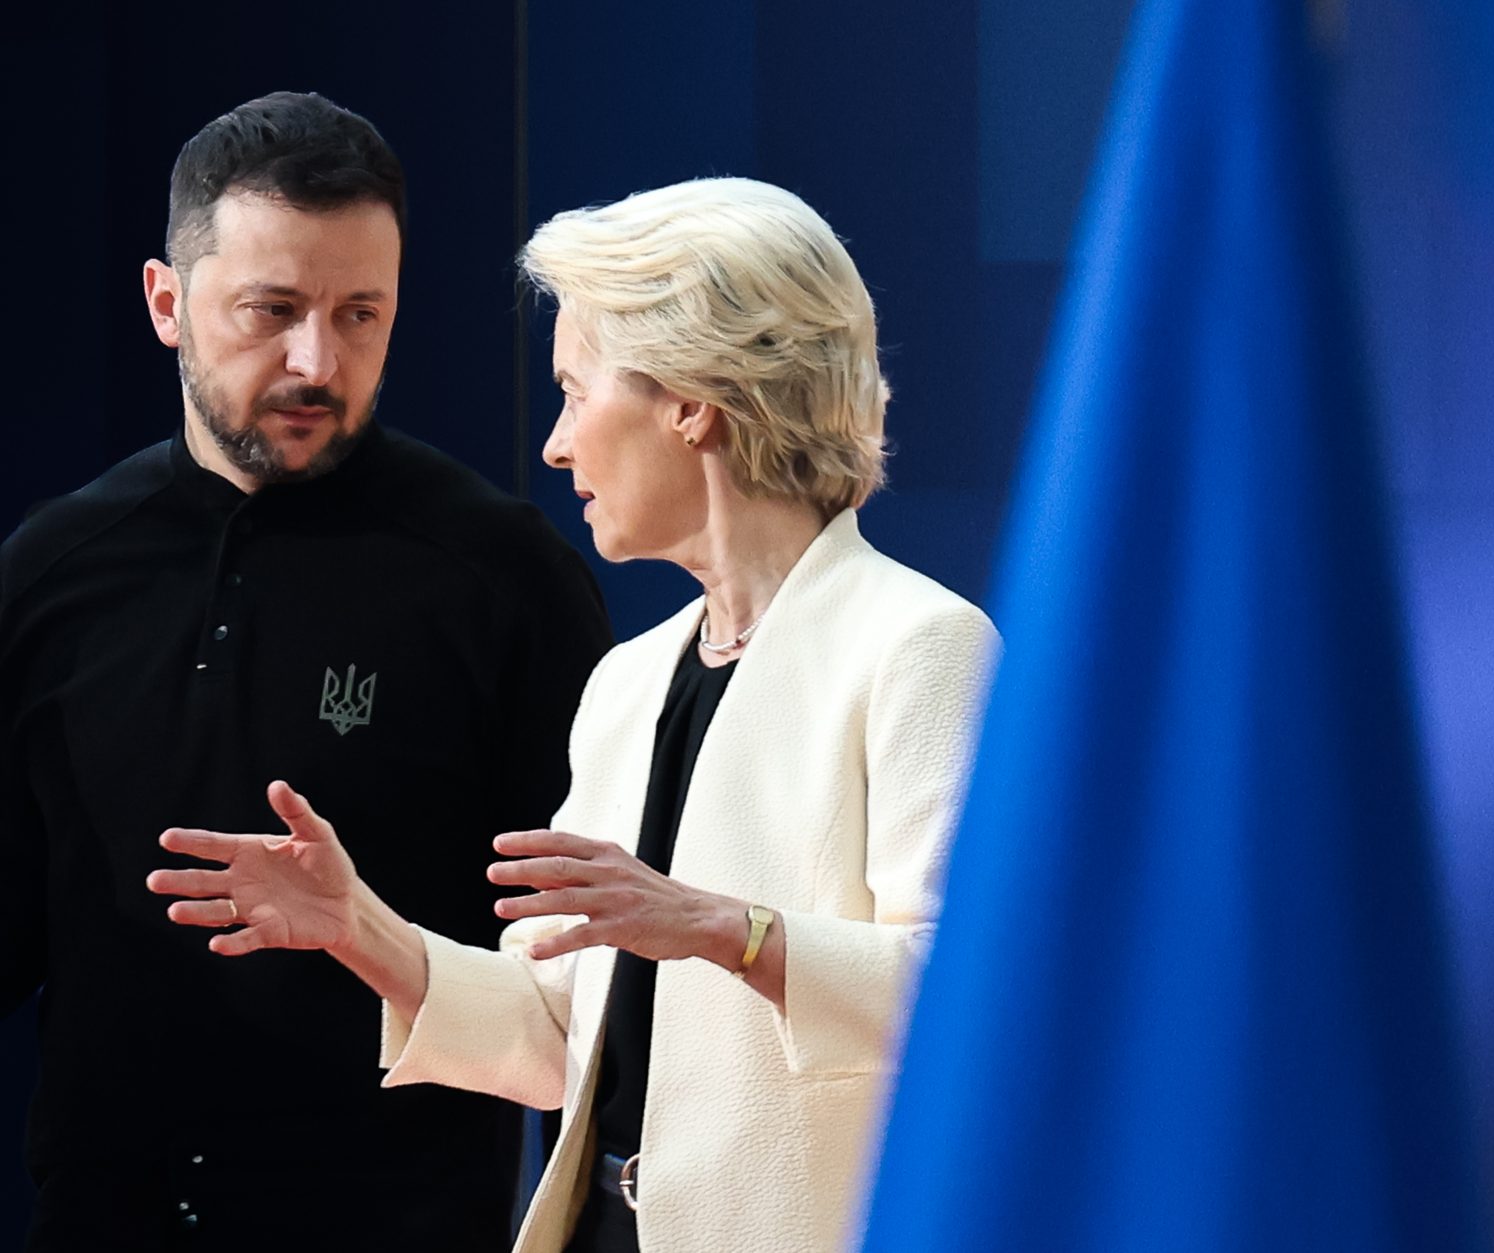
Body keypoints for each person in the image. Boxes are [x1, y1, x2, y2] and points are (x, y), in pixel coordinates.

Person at [148, 177, 999, 1253]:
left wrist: (730, 932)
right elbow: (558, 1035)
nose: (555, 446)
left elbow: (983, 1000)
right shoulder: (627, 684)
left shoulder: (920, 646)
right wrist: (359, 926)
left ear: (692, 400)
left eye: (575, 391)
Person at [0, 92, 611, 1252]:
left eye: (360, 314)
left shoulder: (502, 578)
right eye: (271, 311)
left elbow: (585, 986)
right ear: (167, 303)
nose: (317, 361)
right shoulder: (50, 574)